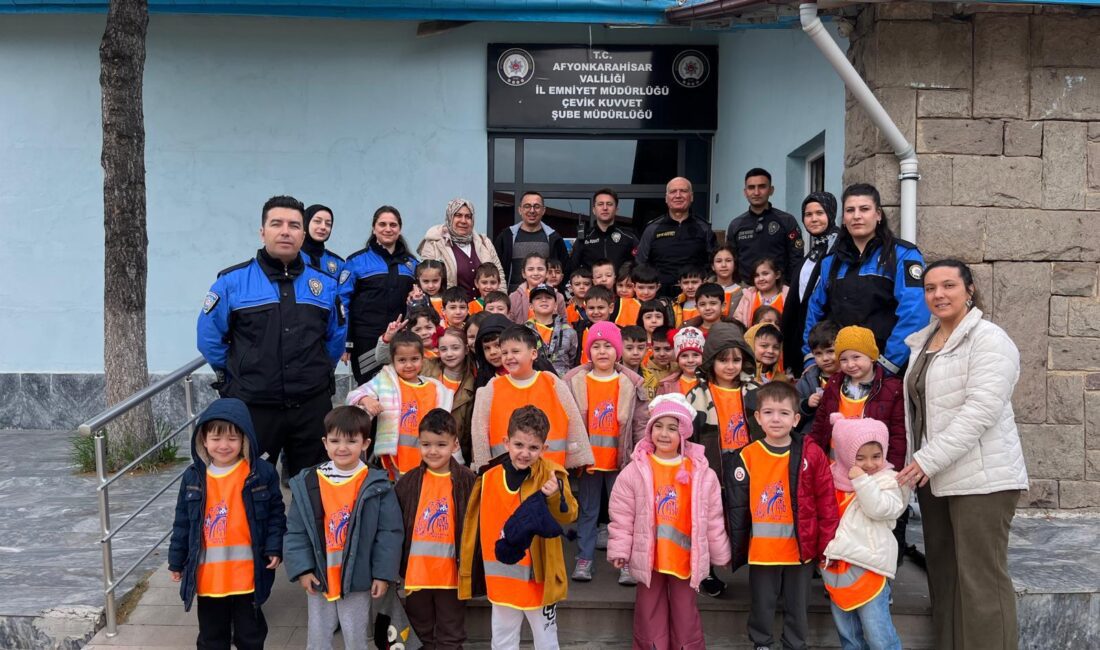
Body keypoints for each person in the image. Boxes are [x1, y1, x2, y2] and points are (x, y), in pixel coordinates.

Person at [896, 259, 1028, 650]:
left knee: (980, 583)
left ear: (969, 290)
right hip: (936, 479)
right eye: (931, 288)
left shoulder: (989, 339)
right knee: (945, 577)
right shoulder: (924, 341)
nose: (938, 294)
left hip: (983, 481)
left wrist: (925, 460)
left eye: (949, 285)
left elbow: (980, 413)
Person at [197, 195, 345, 479]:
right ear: (262, 231)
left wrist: (319, 371)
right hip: (254, 407)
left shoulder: (324, 285)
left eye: (294, 225)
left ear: (303, 234)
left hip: (310, 407)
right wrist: (236, 375)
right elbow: (209, 339)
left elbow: (334, 339)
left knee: (313, 489)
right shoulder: (232, 282)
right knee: (251, 486)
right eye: (276, 223)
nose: (285, 231)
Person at [607, 394, 732, 650]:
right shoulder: (636, 470)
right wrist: (620, 549)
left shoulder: (700, 473)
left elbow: (713, 518)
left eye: (672, 428)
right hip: (649, 559)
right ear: (650, 430)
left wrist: (720, 554)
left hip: (684, 559)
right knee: (648, 612)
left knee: (685, 613)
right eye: (658, 426)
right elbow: (622, 514)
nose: (664, 434)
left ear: (684, 433)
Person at [724, 381, 839, 650]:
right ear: (758, 417)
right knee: (762, 602)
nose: (776, 419)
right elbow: (736, 509)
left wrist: (827, 543)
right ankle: (762, 643)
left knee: (798, 604)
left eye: (784, 413)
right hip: (762, 550)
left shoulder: (812, 453)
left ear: (797, 418)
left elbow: (826, 501)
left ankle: (795, 644)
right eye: (769, 412)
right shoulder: (747, 456)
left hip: (800, 548)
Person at [168, 398, 287, 650]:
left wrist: (275, 547)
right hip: (210, 579)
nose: (224, 445)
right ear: (203, 439)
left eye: (232, 438)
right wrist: (176, 561)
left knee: (251, 636)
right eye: (216, 438)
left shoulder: (260, 473)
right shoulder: (193, 477)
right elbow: (182, 523)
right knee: (211, 639)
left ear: (245, 439)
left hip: (248, 577)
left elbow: (276, 514)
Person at [283, 406, 402, 650]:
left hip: (358, 577)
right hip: (320, 572)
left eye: (351, 440)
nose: (342, 447)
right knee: (318, 636)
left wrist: (382, 574)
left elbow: (388, 534)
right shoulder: (308, 481)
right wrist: (303, 569)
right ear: (325, 443)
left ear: (366, 443)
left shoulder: (377, 483)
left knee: (356, 636)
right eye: (335, 440)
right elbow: (296, 531)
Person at [459, 406, 578, 650]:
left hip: (538, 581)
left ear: (544, 449)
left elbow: (569, 515)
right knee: (503, 641)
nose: (525, 453)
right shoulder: (487, 478)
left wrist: (555, 495)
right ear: (506, 442)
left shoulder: (552, 475)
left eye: (533, 448)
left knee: (546, 641)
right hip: (501, 579)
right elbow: (474, 529)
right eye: (519, 445)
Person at [802, 184, 930, 377]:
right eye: (850, 210)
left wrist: (888, 363)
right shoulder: (831, 262)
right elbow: (815, 311)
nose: (856, 216)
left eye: (864, 209)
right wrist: (811, 357)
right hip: (842, 370)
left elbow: (915, 313)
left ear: (878, 215)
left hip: (888, 371)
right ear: (843, 219)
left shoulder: (903, 255)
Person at [562, 322, 649, 583]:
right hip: (589, 462)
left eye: (608, 346)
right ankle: (584, 558)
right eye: (596, 346)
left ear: (618, 351)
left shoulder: (630, 382)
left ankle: (625, 561)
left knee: (622, 513)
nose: (602, 351)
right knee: (588, 511)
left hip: (620, 462)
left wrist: (641, 454)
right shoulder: (575, 381)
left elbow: (640, 423)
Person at [822, 415, 907, 650]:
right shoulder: (831, 477)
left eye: (876, 456)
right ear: (846, 456)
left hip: (870, 566)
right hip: (838, 567)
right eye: (860, 458)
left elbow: (880, 509)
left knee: (879, 635)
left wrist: (862, 481)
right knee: (849, 635)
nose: (870, 464)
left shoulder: (889, 480)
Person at [394, 409, 477, 650]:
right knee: (419, 633)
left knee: (450, 633)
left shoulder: (467, 480)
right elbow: (394, 528)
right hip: (416, 574)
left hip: (451, 575)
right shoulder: (408, 482)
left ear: (455, 444)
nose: (433, 451)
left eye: (441, 444)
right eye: (426, 444)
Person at [470, 325, 594, 470]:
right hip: (506, 472)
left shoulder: (551, 382)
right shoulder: (492, 387)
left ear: (533, 354)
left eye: (515, 351)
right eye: (504, 353)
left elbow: (573, 419)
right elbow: (479, 431)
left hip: (549, 470)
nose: (509, 357)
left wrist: (579, 456)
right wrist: (483, 466)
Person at [346, 331, 455, 475]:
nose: (409, 365)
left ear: (423, 359)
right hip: (394, 457)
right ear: (393, 360)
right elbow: (353, 395)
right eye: (402, 360)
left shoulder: (435, 388)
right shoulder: (386, 381)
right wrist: (366, 400)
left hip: (429, 455)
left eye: (414, 359)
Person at [809, 326, 906, 470]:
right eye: (843, 359)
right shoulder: (834, 384)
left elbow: (898, 435)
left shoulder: (892, 389)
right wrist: (812, 456)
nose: (850, 364)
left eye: (856, 357)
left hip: (872, 468)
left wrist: (893, 471)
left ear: (872, 356)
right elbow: (820, 424)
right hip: (836, 465)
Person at [341, 205, 418, 384]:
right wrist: (346, 342)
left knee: (402, 391)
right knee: (371, 392)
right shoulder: (356, 262)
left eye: (393, 225)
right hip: (366, 342)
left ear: (399, 229)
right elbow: (342, 304)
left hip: (401, 341)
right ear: (374, 228)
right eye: (382, 224)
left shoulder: (411, 264)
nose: (388, 229)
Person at [782, 192, 840, 376]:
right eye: (808, 214)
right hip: (805, 337)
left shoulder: (839, 249)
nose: (814, 219)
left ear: (831, 214)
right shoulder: (814, 251)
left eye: (820, 213)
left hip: (827, 343)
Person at [636, 177, 718, 295]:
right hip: (660, 297)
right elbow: (641, 264)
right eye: (673, 191)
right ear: (666, 198)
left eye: (683, 191)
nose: (678, 195)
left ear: (691, 196)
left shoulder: (704, 228)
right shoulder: (652, 229)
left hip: (695, 297)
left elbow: (713, 264)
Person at [725, 168, 804, 287]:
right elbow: (731, 260)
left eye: (762, 187)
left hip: (779, 289)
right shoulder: (736, 225)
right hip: (745, 290)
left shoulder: (787, 221)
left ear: (771, 190)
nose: (756, 192)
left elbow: (796, 258)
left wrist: (788, 286)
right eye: (751, 187)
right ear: (745, 192)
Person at [417, 198, 505, 301]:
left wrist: (501, 304)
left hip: (485, 311)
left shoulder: (484, 242)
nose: (463, 221)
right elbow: (427, 279)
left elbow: (499, 276)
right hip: (453, 311)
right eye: (458, 215)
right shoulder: (434, 243)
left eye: (468, 217)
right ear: (450, 217)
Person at [493, 191, 569, 292]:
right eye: (527, 206)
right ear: (520, 210)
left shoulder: (554, 238)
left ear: (543, 210)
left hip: (543, 299)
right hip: (513, 299)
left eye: (536, 206)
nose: (532, 210)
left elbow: (565, 270)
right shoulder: (506, 237)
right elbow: (496, 270)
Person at [570, 187, 638, 273]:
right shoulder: (584, 238)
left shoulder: (629, 237)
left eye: (609, 204)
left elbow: (639, 268)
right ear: (594, 210)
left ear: (616, 210)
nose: (605, 208)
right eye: (600, 204)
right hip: (593, 286)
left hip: (620, 286)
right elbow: (572, 269)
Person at [796, 320, 841, 433]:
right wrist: (806, 404)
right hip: (813, 437)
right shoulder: (807, 379)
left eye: (830, 351)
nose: (825, 358)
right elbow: (792, 406)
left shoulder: (851, 377)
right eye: (818, 353)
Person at [525, 283, 578, 376]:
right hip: (533, 383)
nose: (544, 300)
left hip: (562, 385)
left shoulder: (569, 331)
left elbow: (572, 360)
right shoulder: (522, 332)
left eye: (548, 297)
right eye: (538, 298)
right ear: (531, 306)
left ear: (555, 306)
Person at [508, 252, 567, 324]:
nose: (536, 273)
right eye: (530, 269)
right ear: (524, 273)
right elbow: (509, 324)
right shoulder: (514, 297)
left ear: (546, 273)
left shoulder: (558, 297)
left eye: (540, 269)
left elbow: (564, 323)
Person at [734, 258, 789, 328]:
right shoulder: (748, 296)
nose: (761, 279)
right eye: (756, 275)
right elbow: (738, 321)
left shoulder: (788, 296)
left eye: (765, 274)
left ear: (777, 275)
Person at [656, 327, 705, 397]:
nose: (690, 360)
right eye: (684, 356)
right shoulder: (666, 385)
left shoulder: (712, 383)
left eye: (695, 355)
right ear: (677, 359)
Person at [301, 203, 344, 278]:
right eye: (317, 221)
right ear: (305, 223)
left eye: (328, 224)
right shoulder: (292, 257)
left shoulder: (338, 263)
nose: (323, 227)